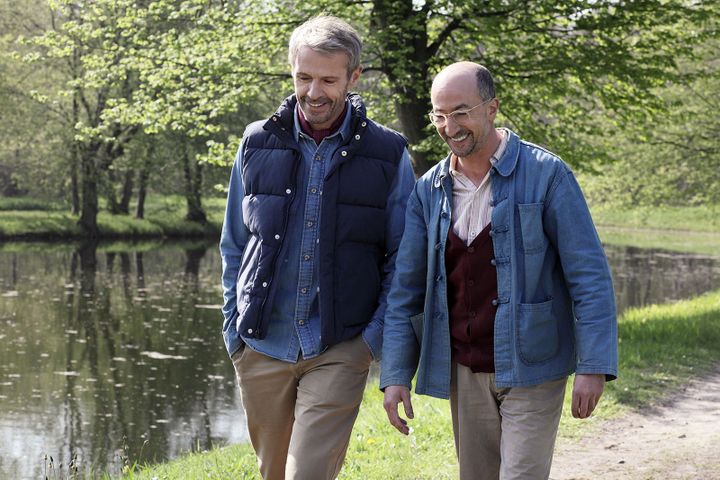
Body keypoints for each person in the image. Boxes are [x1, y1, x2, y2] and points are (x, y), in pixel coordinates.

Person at [380, 61, 618, 480]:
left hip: (534, 365)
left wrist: (594, 364)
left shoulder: (547, 175)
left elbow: (589, 276)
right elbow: (406, 290)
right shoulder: (428, 190)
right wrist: (396, 373)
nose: (449, 126)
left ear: (492, 108)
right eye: (439, 114)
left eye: (460, 111)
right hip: (464, 368)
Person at [219, 15, 415, 480]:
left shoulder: (388, 153)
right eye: (304, 77)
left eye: (328, 80)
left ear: (353, 78)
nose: (314, 92)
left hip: (339, 345)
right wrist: (234, 329)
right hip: (261, 344)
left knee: (308, 472)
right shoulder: (256, 141)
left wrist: (371, 341)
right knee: (271, 472)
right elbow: (234, 243)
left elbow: (403, 258)